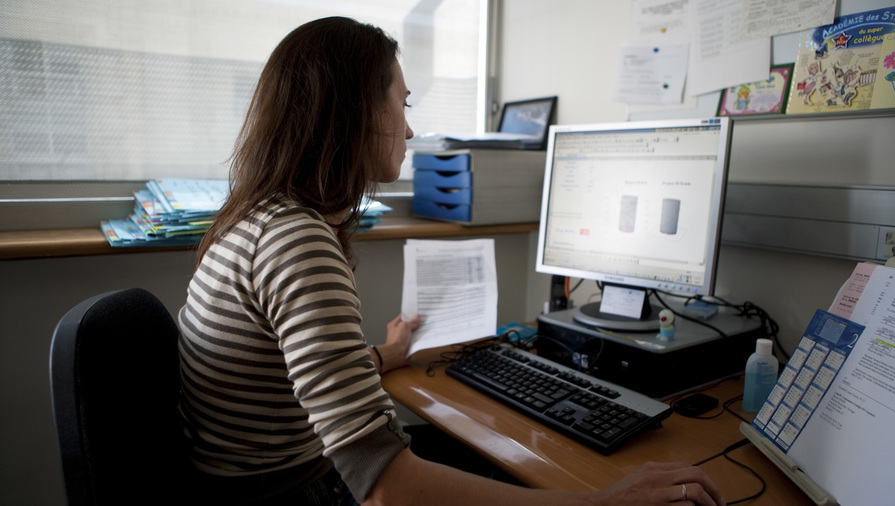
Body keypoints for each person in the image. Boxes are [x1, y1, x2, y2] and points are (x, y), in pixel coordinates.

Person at [177, 16, 727, 506]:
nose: (411, 129)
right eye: (404, 103)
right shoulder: (297, 243)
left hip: (255, 476)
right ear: (355, 111)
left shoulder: (260, 220)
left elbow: (298, 385)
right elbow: (387, 487)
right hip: (290, 488)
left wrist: (386, 355)